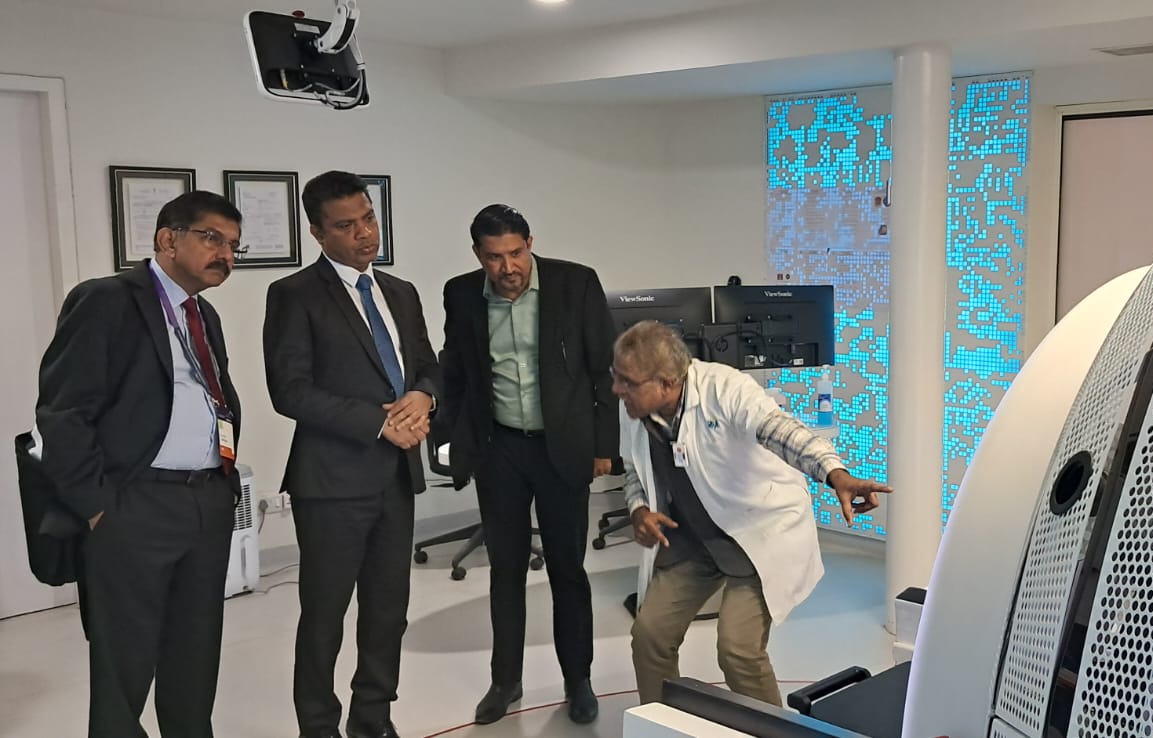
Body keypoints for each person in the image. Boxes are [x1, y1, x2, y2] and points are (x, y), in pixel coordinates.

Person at [35, 191, 245, 737]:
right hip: (134, 505)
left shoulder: (204, 314)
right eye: (213, 239)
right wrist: (97, 506)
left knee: (194, 657)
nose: (225, 255)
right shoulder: (106, 300)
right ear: (167, 239)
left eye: (233, 246)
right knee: (124, 665)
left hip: (205, 500)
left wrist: (223, 488)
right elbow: (64, 412)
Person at [614, 321, 892, 706]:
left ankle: (774, 730)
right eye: (616, 377)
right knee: (650, 636)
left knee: (738, 649)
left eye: (627, 381)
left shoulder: (724, 389)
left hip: (756, 531)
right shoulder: (633, 408)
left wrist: (835, 473)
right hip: (694, 538)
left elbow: (781, 431)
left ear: (665, 382)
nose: (616, 389)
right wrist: (639, 509)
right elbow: (633, 470)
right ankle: (661, 724)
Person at [264, 171, 440, 738]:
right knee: (325, 618)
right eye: (346, 226)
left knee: (388, 611)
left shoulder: (400, 291)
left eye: (368, 218)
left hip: (395, 479)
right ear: (318, 234)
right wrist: (379, 424)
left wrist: (424, 396)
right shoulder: (294, 295)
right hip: (331, 483)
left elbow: (428, 366)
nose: (365, 233)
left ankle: (373, 719)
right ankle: (318, 727)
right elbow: (290, 391)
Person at [434, 204, 618, 725]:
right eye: (494, 257)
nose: (507, 267)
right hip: (500, 449)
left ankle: (578, 680)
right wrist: (452, 439)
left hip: (563, 447)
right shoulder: (460, 293)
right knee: (506, 571)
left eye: (516, 253)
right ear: (478, 254)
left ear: (530, 244)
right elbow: (455, 371)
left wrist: (604, 447)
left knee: (568, 570)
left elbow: (604, 371)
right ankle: (505, 681)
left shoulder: (575, 284)